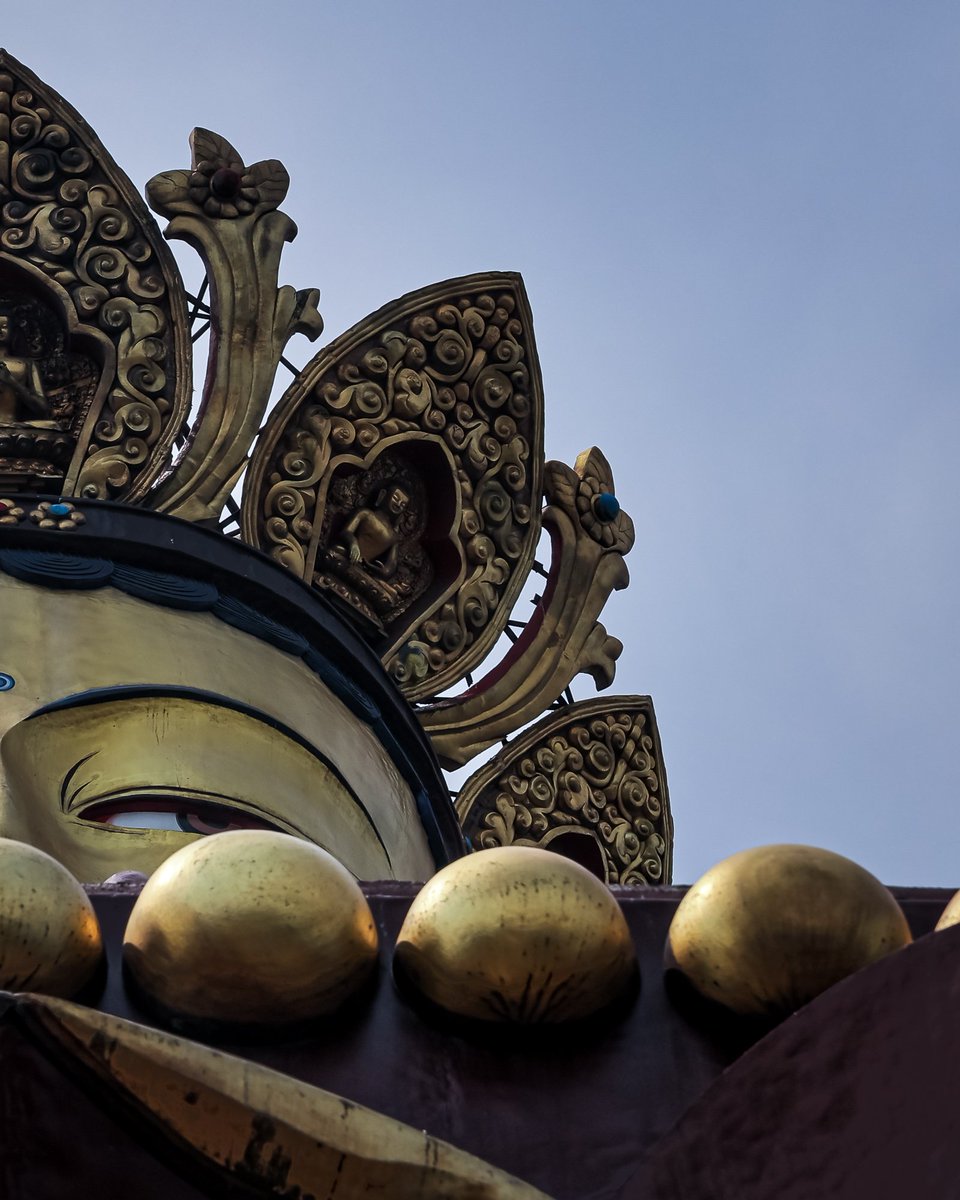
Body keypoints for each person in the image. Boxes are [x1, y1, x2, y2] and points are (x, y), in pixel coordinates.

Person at [0, 310, 55, 426]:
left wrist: (11, 381)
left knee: (52, 426)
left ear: (13, 332)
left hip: (12, 427)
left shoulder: (27, 365)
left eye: (4, 326)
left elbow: (43, 409)